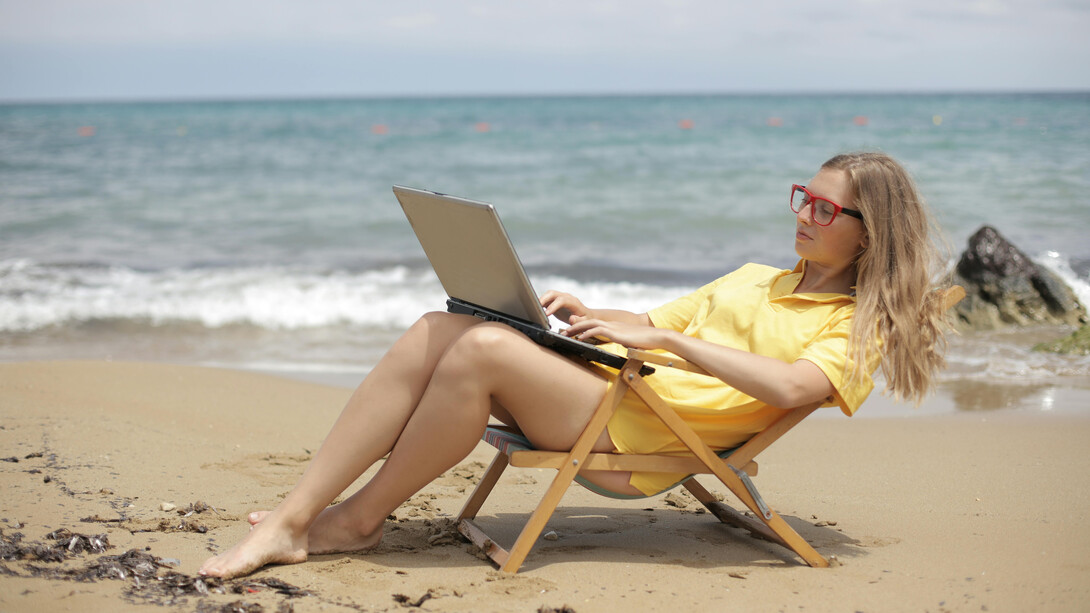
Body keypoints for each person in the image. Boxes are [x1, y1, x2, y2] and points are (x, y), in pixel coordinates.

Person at [199, 151, 950, 579]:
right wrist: (580, 313)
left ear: (869, 231)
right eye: (801, 200)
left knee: (485, 348)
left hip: (641, 440)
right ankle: (308, 512)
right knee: (441, 324)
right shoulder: (757, 277)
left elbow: (792, 386)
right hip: (609, 391)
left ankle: (349, 519)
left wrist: (675, 347)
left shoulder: (858, 324)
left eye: (823, 210)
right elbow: (647, 325)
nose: (802, 217)